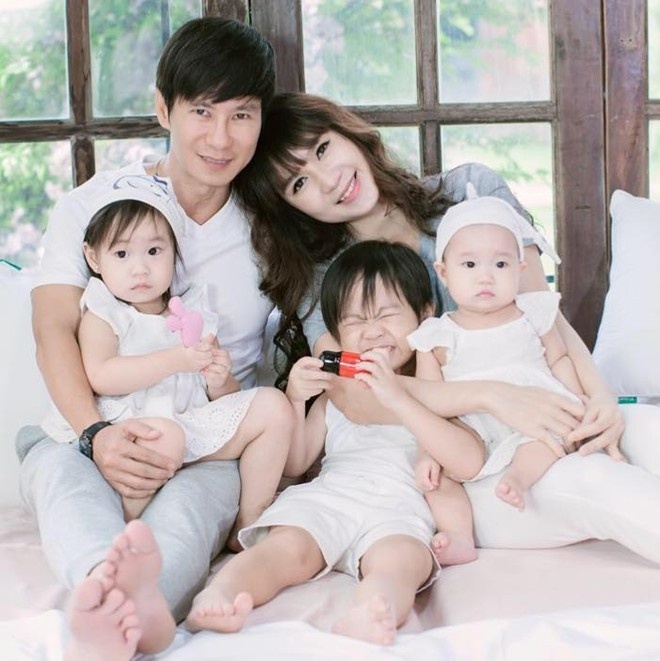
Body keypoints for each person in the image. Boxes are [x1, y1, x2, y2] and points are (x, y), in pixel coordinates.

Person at [235, 92, 660, 565]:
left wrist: (600, 397)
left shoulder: (470, 193)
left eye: (322, 149)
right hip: (464, 465)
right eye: (299, 184)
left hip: (546, 413)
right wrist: (493, 396)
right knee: (597, 482)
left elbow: (544, 317)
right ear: (291, 208)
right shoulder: (323, 274)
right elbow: (357, 396)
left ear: (347, 132)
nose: (328, 179)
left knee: (649, 431)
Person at [16, 16, 277, 651]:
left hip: (202, 438)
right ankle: (99, 594)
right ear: (164, 109)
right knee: (62, 481)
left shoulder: (274, 224)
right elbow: (54, 332)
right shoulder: (95, 207)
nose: (221, 138)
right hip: (90, 425)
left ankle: (142, 615)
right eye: (202, 111)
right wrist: (95, 435)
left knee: (190, 511)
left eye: (242, 115)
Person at [184, 241, 485, 646]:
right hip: (329, 498)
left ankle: (373, 612)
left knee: (399, 563)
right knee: (283, 549)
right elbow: (296, 462)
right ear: (336, 333)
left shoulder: (438, 387)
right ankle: (220, 595)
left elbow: (465, 459)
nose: (372, 331)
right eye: (355, 321)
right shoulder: (337, 393)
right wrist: (295, 398)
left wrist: (399, 397)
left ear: (425, 313)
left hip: (399, 510)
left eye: (387, 315)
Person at [41, 177, 292, 538]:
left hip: (189, 422)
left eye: (154, 251)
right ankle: (126, 529)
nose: (140, 268)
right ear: (94, 257)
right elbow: (102, 375)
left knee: (273, 406)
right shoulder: (105, 313)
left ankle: (250, 521)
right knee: (168, 436)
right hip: (131, 425)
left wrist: (220, 380)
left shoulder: (192, 311)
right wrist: (176, 360)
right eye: (122, 254)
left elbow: (222, 396)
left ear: (174, 253)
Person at [405, 193, 588, 566]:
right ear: (443, 272)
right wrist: (428, 453)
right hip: (470, 430)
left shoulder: (532, 314)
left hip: (534, 417)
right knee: (438, 481)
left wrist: (578, 401)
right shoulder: (436, 335)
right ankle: (459, 536)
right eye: (470, 264)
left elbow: (560, 359)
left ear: (521, 269)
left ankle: (518, 479)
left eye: (501, 264)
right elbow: (429, 402)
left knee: (547, 441)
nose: (485, 276)